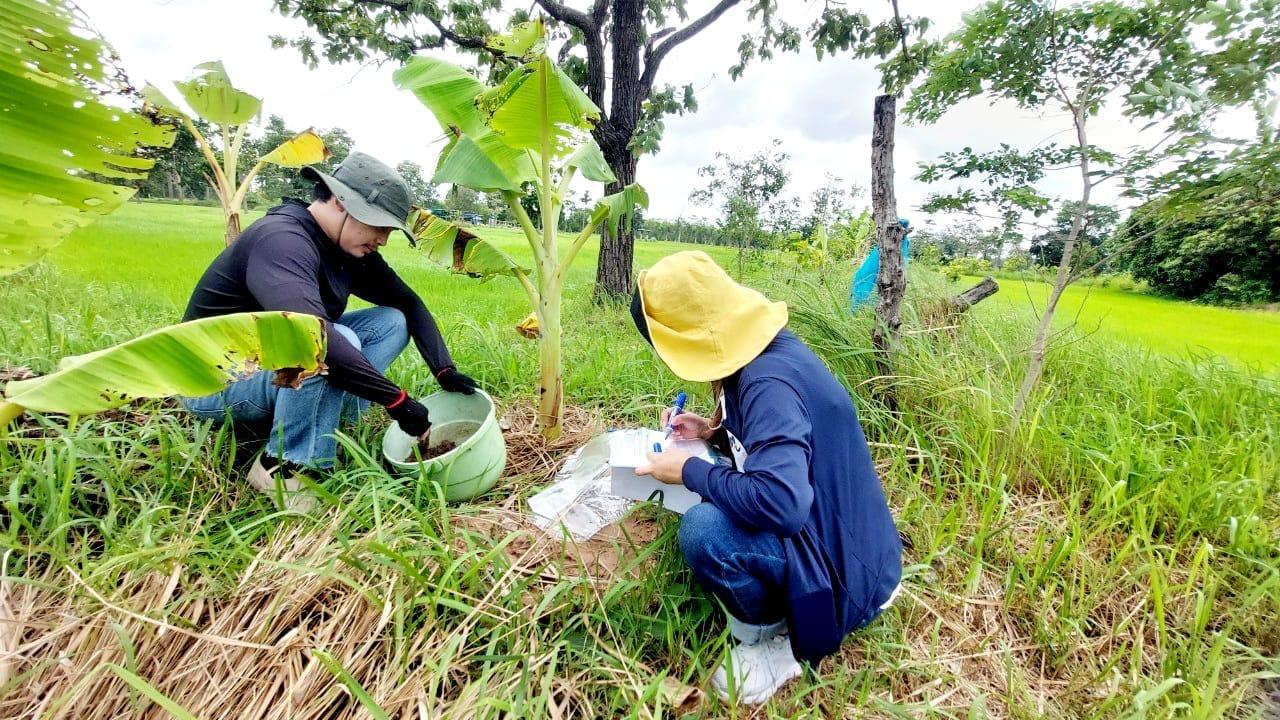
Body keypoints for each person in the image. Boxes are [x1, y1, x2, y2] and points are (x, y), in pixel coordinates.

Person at [630, 251, 902, 705]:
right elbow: (770, 447)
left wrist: (689, 470)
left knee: (705, 530)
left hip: (843, 576)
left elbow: (781, 504)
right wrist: (711, 435)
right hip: (843, 538)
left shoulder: (766, 383)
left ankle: (784, 639)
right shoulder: (761, 353)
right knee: (717, 497)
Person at [180, 151, 477, 510]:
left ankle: (322, 420)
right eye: (378, 225)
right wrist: (398, 402)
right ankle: (282, 466)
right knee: (332, 342)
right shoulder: (282, 241)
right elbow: (313, 339)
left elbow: (409, 304)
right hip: (216, 381)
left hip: (272, 364)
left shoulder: (348, 249)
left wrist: (443, 369)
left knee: (390, 322)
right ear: (339, 201)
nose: (383, 239)